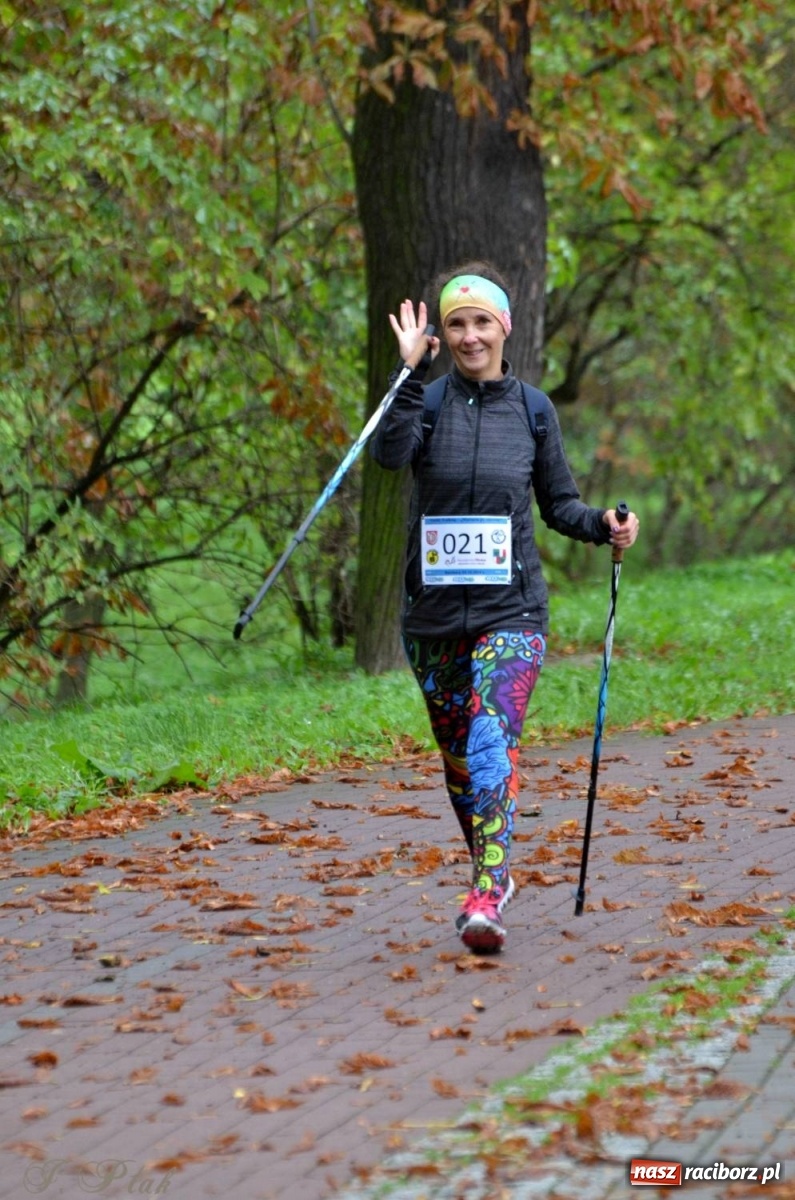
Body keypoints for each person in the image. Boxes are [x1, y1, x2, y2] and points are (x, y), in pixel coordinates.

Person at [370, 262, 639, 954]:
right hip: (432, 618)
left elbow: (560, 505)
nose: (469, 336)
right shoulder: (426, 402)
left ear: (503, 328)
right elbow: (389, 456)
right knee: (460, 764)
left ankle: (486, 894)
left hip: (511, 614)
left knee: (492, 741)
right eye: (456, 324)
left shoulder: (533, 410)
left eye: (481, 322)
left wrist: (603, 525)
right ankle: (492, 868)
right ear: (443, 333)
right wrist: (406, 373)